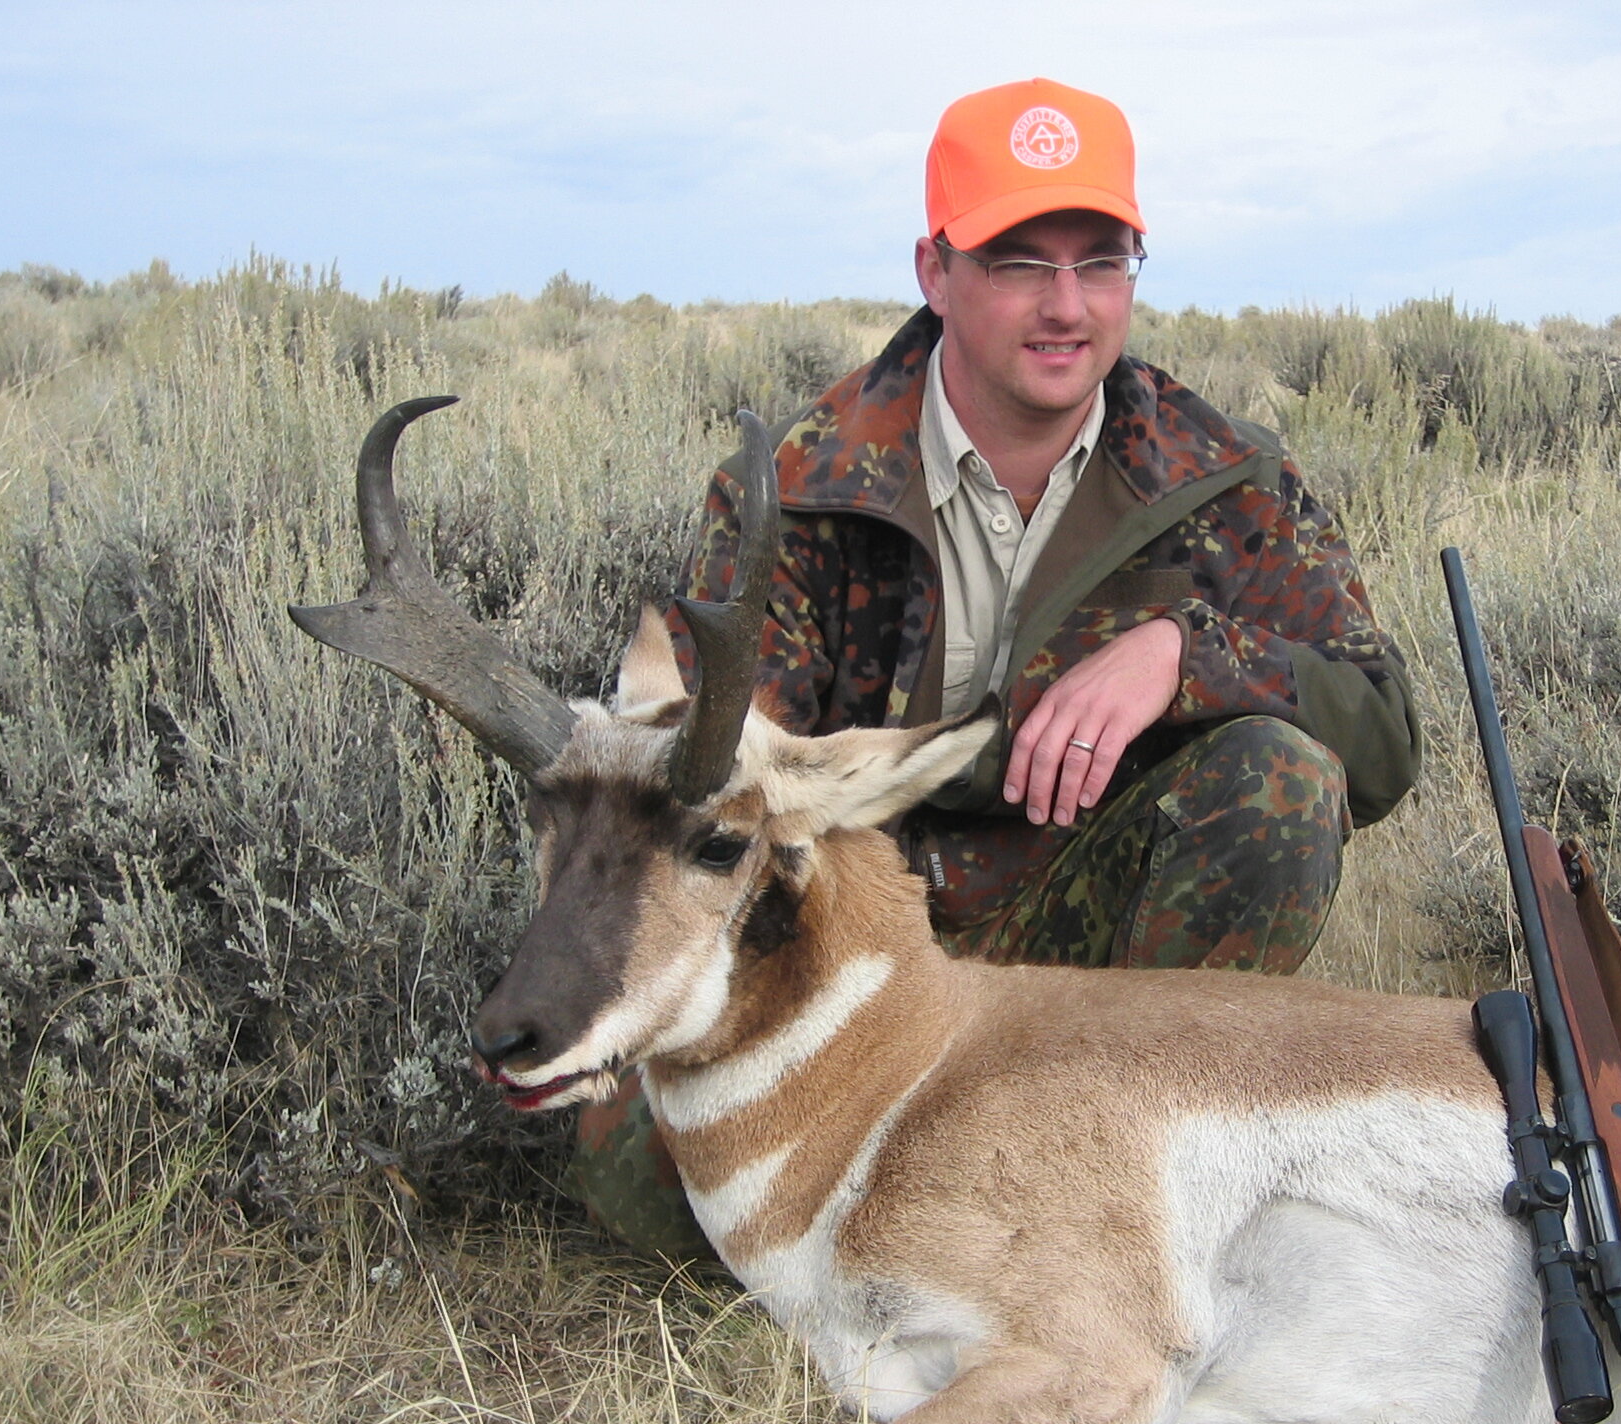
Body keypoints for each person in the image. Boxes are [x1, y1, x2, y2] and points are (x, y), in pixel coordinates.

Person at [569, 78, 1422, 1261]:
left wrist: (1189, 656)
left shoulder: (1224, 482)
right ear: (936, 268)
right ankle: (912, 1184)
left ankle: (1117, 1172)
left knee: (1277, 786)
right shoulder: (802, 488)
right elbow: (725, 780)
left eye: (1101, 262)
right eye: (1019, 262)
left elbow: (1383, 736)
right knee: (627, 1175)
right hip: (857, 960)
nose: (1066, 307)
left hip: (1089, 965)